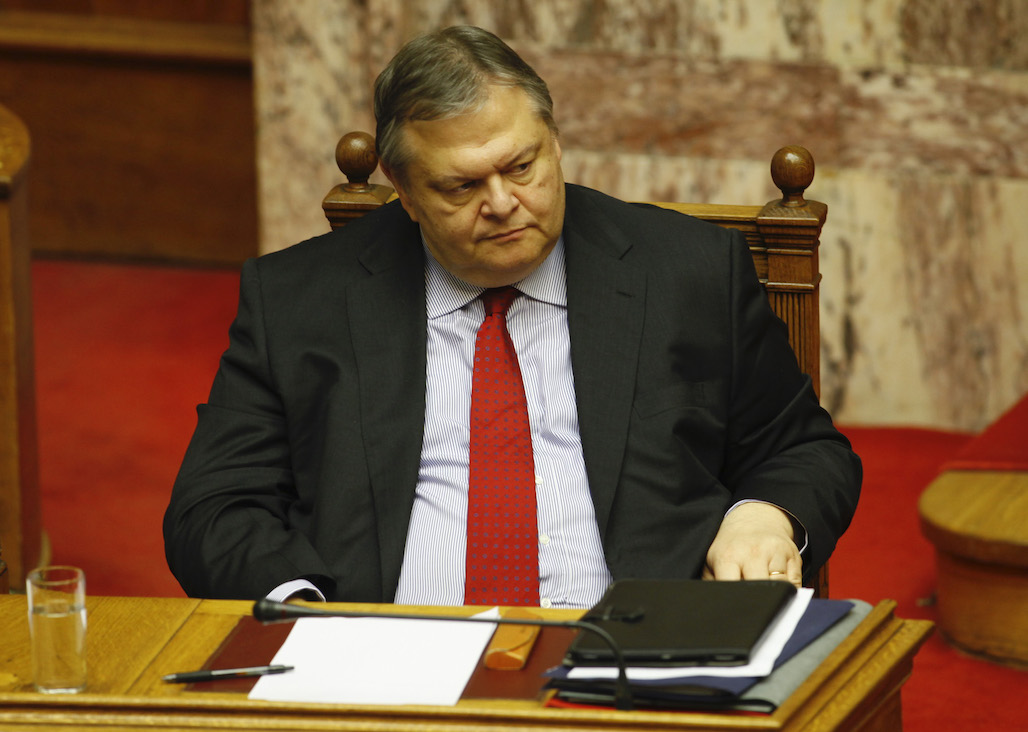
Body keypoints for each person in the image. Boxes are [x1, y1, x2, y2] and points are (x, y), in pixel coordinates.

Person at [164, 26, 861, 607]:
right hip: (386, 670)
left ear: (554, 142)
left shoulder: (684, 273)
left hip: (640, 660)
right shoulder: (299, 298)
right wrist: (311, 619)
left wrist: (760, 518)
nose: (501, 204)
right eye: (461, 185)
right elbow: (214, 508)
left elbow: (802, 449)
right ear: (403, 189)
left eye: (521, 166)